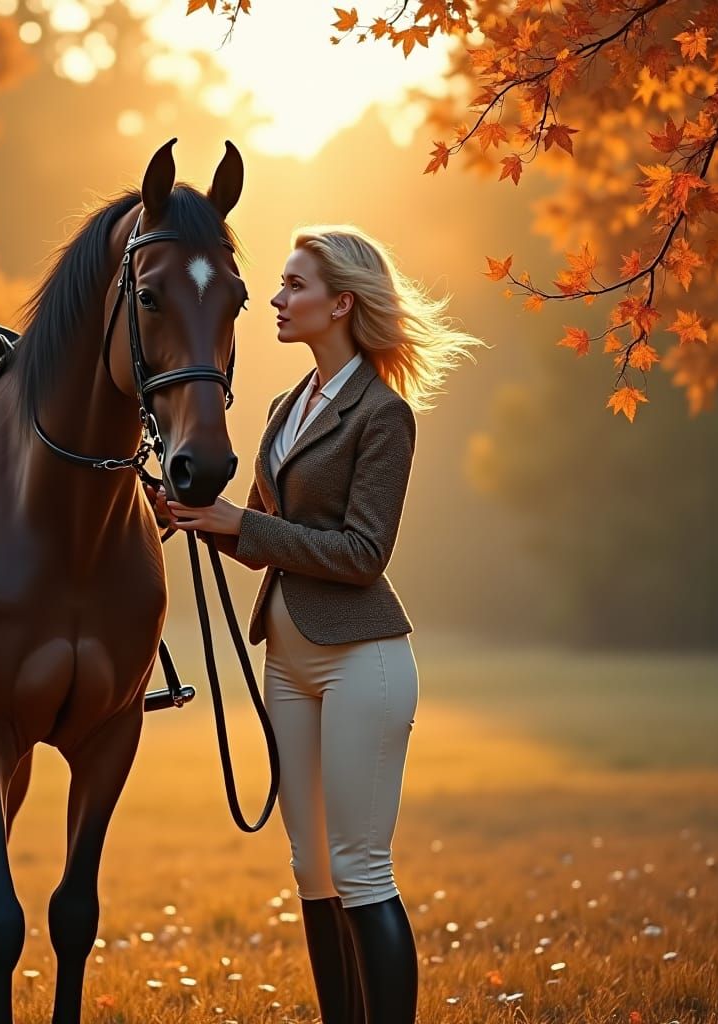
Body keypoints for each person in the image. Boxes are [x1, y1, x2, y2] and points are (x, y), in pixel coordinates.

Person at [151, 225, 486, 1023]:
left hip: (361, 658)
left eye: (294, 286)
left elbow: (362, 553)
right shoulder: (282, 406)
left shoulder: (384, 414)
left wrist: (241, 522)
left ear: (341, 303)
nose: (275, 298)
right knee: (312, 872)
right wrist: (196, 520)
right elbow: (262, 540)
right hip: (289, 662)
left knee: (361, 868)